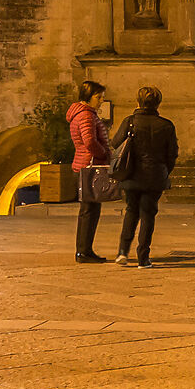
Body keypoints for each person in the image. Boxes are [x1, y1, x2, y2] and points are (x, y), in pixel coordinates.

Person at [109, 86, 179, 268]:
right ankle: (143, 258)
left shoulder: (130, 121)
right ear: (158, 104)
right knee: (148, 214)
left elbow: (115, 143)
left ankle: (122, 252)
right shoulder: (166, 125)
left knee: (131, 211)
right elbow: (172, 154)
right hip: (155, 176)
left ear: (138, 102)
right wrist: (164, 171)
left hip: (131, 174)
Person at [67, 81, 111, 265]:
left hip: (84, 164)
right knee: (89, 211)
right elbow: (89, 141)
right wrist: (104, 153)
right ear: (88, 96)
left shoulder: (81, 114)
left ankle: (85, 250)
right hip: (90, 166)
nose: (101, 101)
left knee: (89, 210)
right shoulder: (85, 115)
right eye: (98, 97)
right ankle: (83, 251)